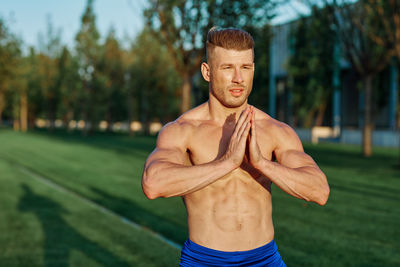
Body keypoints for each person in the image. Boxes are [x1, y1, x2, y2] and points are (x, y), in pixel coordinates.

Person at [142, 27, 330, 267]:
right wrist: (227, 162)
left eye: (246, 67)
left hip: (265, 260)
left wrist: (262, 164)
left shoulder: (274, 130)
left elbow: (319, 191)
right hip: (204, 261)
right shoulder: (183, 129)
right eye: (228, 68)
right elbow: (153, 184)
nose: (238, 78)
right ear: (207, 72)